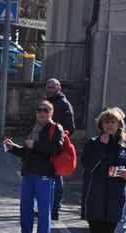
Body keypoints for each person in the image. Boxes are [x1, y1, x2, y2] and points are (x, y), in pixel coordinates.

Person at [3, 100, 63, 233]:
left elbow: (57, 149)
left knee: (43, 211)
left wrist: (34, 145)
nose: (42, 113)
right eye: (39, 110)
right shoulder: (35, 128)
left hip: (45, 174)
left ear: (51, 113)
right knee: (25, 209)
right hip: (29, 173)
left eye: (46, 110)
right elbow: (28, 152)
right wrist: (13, 148)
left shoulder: (55, 128)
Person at [45, 78, 75, 221]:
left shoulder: (64, 104)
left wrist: (60, 139)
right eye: (47, 87)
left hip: (57, 148)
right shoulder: (49, 102)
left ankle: (55, 209)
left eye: (52, 87)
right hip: (46, 147)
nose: (49, 89)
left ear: (59, 87)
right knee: (49, 177)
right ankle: (48, 207)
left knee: (57, 178)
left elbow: (70, 127)